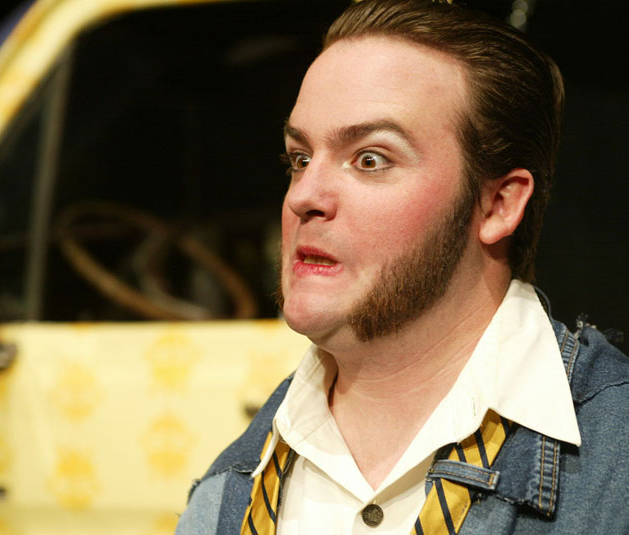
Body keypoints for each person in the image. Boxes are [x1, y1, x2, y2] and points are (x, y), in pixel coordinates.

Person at [176, 0, 629, 533]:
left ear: (498, 204)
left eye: (370, 159)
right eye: (300, 159)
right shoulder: (225, 495)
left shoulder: (614, 461)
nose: (303, 196)